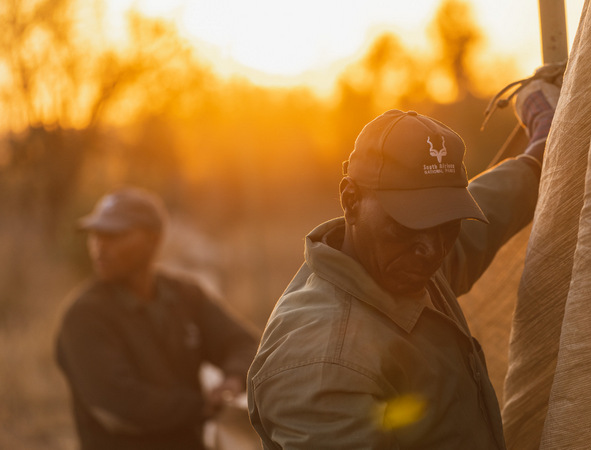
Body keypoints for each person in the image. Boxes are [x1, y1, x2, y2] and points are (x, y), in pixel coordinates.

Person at [247, 79, 559, 449]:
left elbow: (495, 202)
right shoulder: (323, 364)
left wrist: (542, 145)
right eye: (409, 224)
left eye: (447, 223)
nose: (432, 249)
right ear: (351, 200)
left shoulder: (401, 260)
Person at [55, 186, 259, 450]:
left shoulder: (185, 294)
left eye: (114, 235)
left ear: (153, 239)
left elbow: (244, 343)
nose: (99, 246)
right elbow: (118, 406)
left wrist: (233, 378)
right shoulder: (83, 316)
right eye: (95, 235)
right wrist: (203, 405)